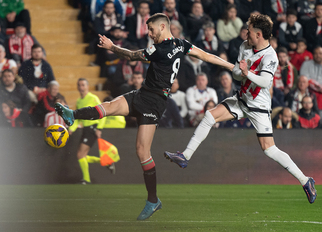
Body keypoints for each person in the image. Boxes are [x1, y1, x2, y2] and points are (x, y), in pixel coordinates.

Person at [55, 13, 235, 220]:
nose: (149, 33)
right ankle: (72, 114)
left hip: (156, 102)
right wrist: (231, 67)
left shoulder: (157, 49)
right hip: (142, 94)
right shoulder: (181, 44)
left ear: (162, 26)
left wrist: (112, 47)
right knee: (109, 106)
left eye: (151, 30)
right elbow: (206, 56)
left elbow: (132, 56)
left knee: (142, 151)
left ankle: (153, 200)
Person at [164, 14, 317, 205]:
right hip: (242, 98)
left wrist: (246, 72)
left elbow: (265, 81)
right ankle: (185, 156)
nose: (246, 32)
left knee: (269, 149)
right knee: (210, 115)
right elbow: (237, 75)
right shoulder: (245, 46)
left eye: (250, 30)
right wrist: (239, 71)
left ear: (259, 34)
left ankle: (305, 180)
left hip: (258, 106)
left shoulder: (270, 56)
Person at [65, 78, 115, 186]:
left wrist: (99, 128)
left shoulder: (93, 98)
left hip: (92, 128)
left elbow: (103, 113)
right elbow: (77, 118)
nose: (81, 87)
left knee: (80, 154)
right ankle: (107, 162)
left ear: (87, 86)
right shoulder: (79, 101)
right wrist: (71, 129)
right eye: (79, 85)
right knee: (82, 156)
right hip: (86, 129)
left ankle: (86, 180)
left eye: (83, 85)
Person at [300, 46, 322, 110]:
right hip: (309, 89)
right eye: (316, 53)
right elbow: (303, 79)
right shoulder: (306, 64)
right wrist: (317, 88)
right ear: (313, 55)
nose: (318, 55)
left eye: (320, 53)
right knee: (314, 95)